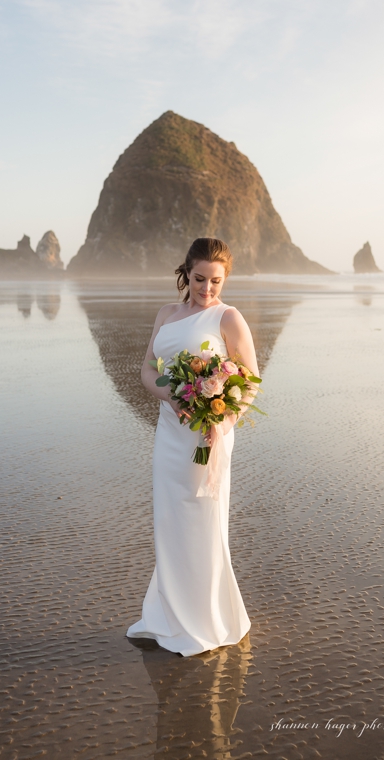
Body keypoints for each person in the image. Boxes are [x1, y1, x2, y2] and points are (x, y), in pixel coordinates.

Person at [126, 237, 256, 655]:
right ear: (187, 273)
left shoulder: (229, 318)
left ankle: (208, 620)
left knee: (203, 517)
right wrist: (176, 397)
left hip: (208, 437)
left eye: (216, 281)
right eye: (200, 279)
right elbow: (148, 370)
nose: (207, 289)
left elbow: (250, 382)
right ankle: (169, 615)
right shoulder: (166, 314)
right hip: (170, 434)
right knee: (170, 519)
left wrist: (220, 420)